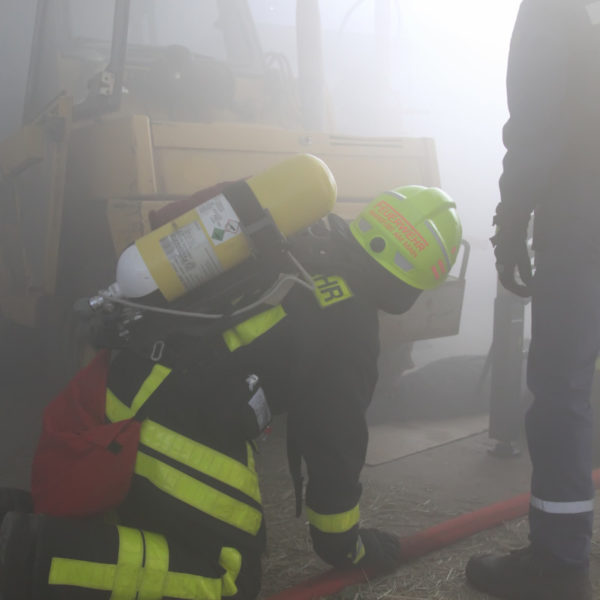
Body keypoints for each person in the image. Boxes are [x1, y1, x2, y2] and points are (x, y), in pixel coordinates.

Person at [0, 182, 461, 600]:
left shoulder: (300, 234)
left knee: (145, 526)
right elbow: (334, 440)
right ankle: (27, 551)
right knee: (228, 579)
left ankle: (20, 524)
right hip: (178, 423)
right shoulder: (351, 325)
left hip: (122, 380)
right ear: (412, 281)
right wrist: (345, 544)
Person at [466, 1, 600, 599]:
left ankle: (558, 553)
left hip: (584, 209)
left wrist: (511, 215)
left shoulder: (557, 8)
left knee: (561, 385)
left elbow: (539, 120)